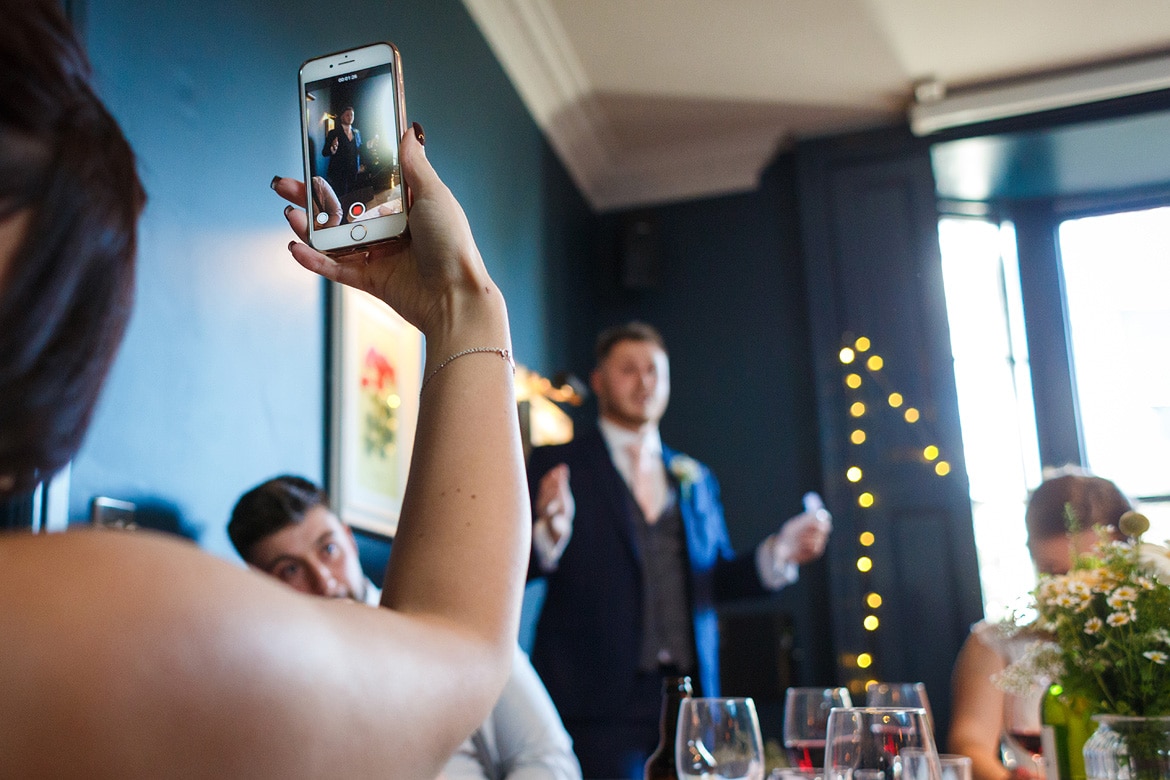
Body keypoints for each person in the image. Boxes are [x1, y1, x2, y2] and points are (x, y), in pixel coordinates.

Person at [0, 3, 528, 775]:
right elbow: (461, 652)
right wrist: (464, 305)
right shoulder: (66, 629)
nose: (322, 575)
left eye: (326, 549)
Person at [527, 321, 832, 779]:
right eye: (628, 370)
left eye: (654, 371)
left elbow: (717, 578)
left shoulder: (696, 477)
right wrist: (547, 538)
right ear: (599, 381)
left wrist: (780, 550)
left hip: (690, 699)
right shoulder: (559, 463)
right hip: (592, 700)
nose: (644, 381)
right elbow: (515, 567)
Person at [228, 475, 583, 780]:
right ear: (261, 584)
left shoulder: (452, 625)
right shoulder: (263, 693)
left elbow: (551, 759)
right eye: (290, 570)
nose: (323, 580)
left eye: (329, 549)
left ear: (350, 541)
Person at [947, 468, 1132, 780]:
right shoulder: (996, 641)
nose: (1074, 589)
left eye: (1091, 571)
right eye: (1055, 572)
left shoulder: (1149, 640)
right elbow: (970, 744)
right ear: (1032, 554)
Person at [323, 106, 362, 197]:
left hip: (354, 172)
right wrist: (332, 150)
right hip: (338, 173)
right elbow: (324, 152)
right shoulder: (333, 133)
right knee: (341, 199)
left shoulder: (357, 133)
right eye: (347, 115)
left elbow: (359, 150)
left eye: (352, 115)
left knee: (353, 198)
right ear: (342, 117)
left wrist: (361, 164)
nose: (350, 117)